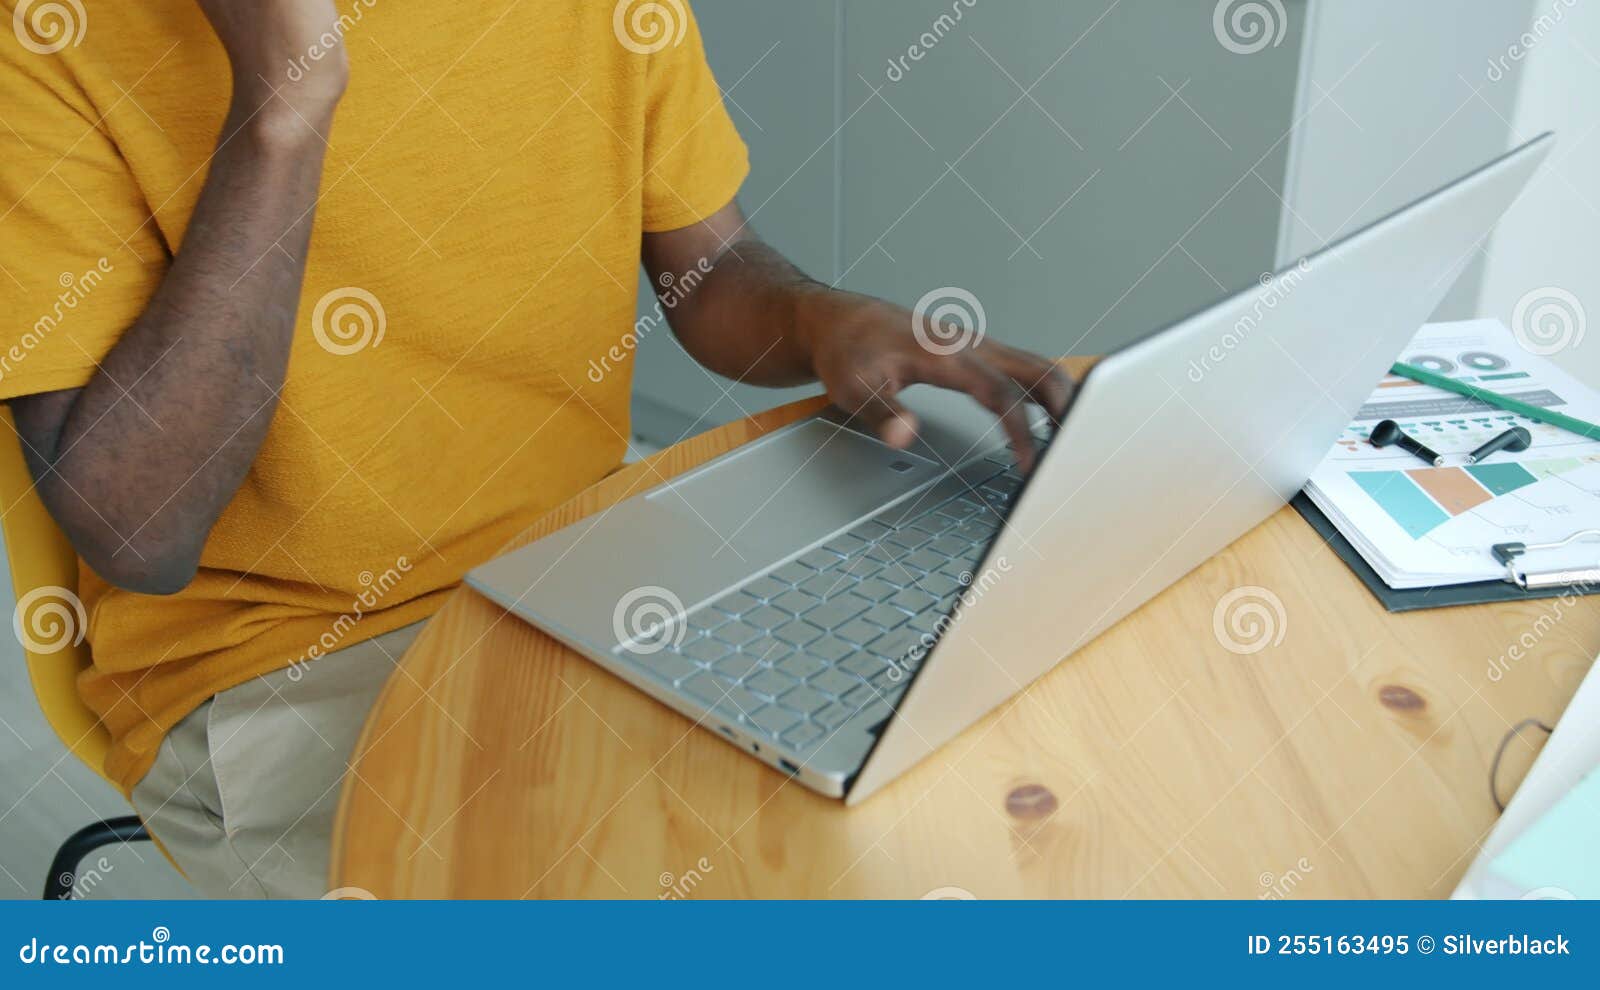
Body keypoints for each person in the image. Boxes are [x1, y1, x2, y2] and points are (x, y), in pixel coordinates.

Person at [0, 0, 1069, 897]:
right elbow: (142, 532)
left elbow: (714, 268)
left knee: (945, 812)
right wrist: (287, 98)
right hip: (280, 664)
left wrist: (823, 320)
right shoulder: (43, 36)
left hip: (585, 580)